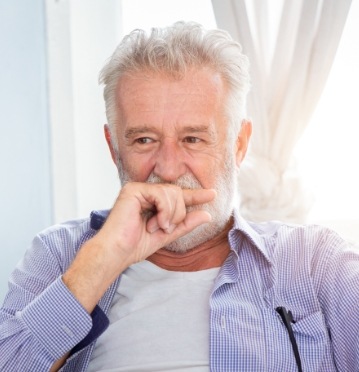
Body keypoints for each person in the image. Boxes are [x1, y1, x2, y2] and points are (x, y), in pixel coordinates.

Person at [0, 21, 358, 372]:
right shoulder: (59, 255)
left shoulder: (315, 263)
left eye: (193, 139)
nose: (169, 170)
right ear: (114, 149)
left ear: (239, 145)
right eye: (144, 140)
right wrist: (102, 260)